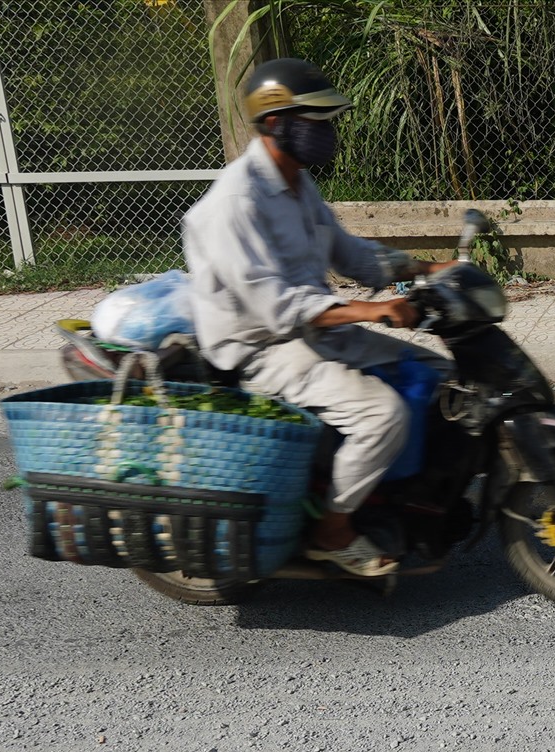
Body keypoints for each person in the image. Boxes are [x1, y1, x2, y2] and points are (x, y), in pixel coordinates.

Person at [183, 58, 454, 577]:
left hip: (314, 330)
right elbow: (277, 307)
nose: (326, 132)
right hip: (262, 348)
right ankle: (333, 530)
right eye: (314, 121)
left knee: (438, 376)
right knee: (382, 414)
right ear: (273, 123)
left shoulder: (296, 183)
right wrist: (373, 310)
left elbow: (346, 252)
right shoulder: (234, 204)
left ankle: (401, 492)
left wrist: (421, 268)